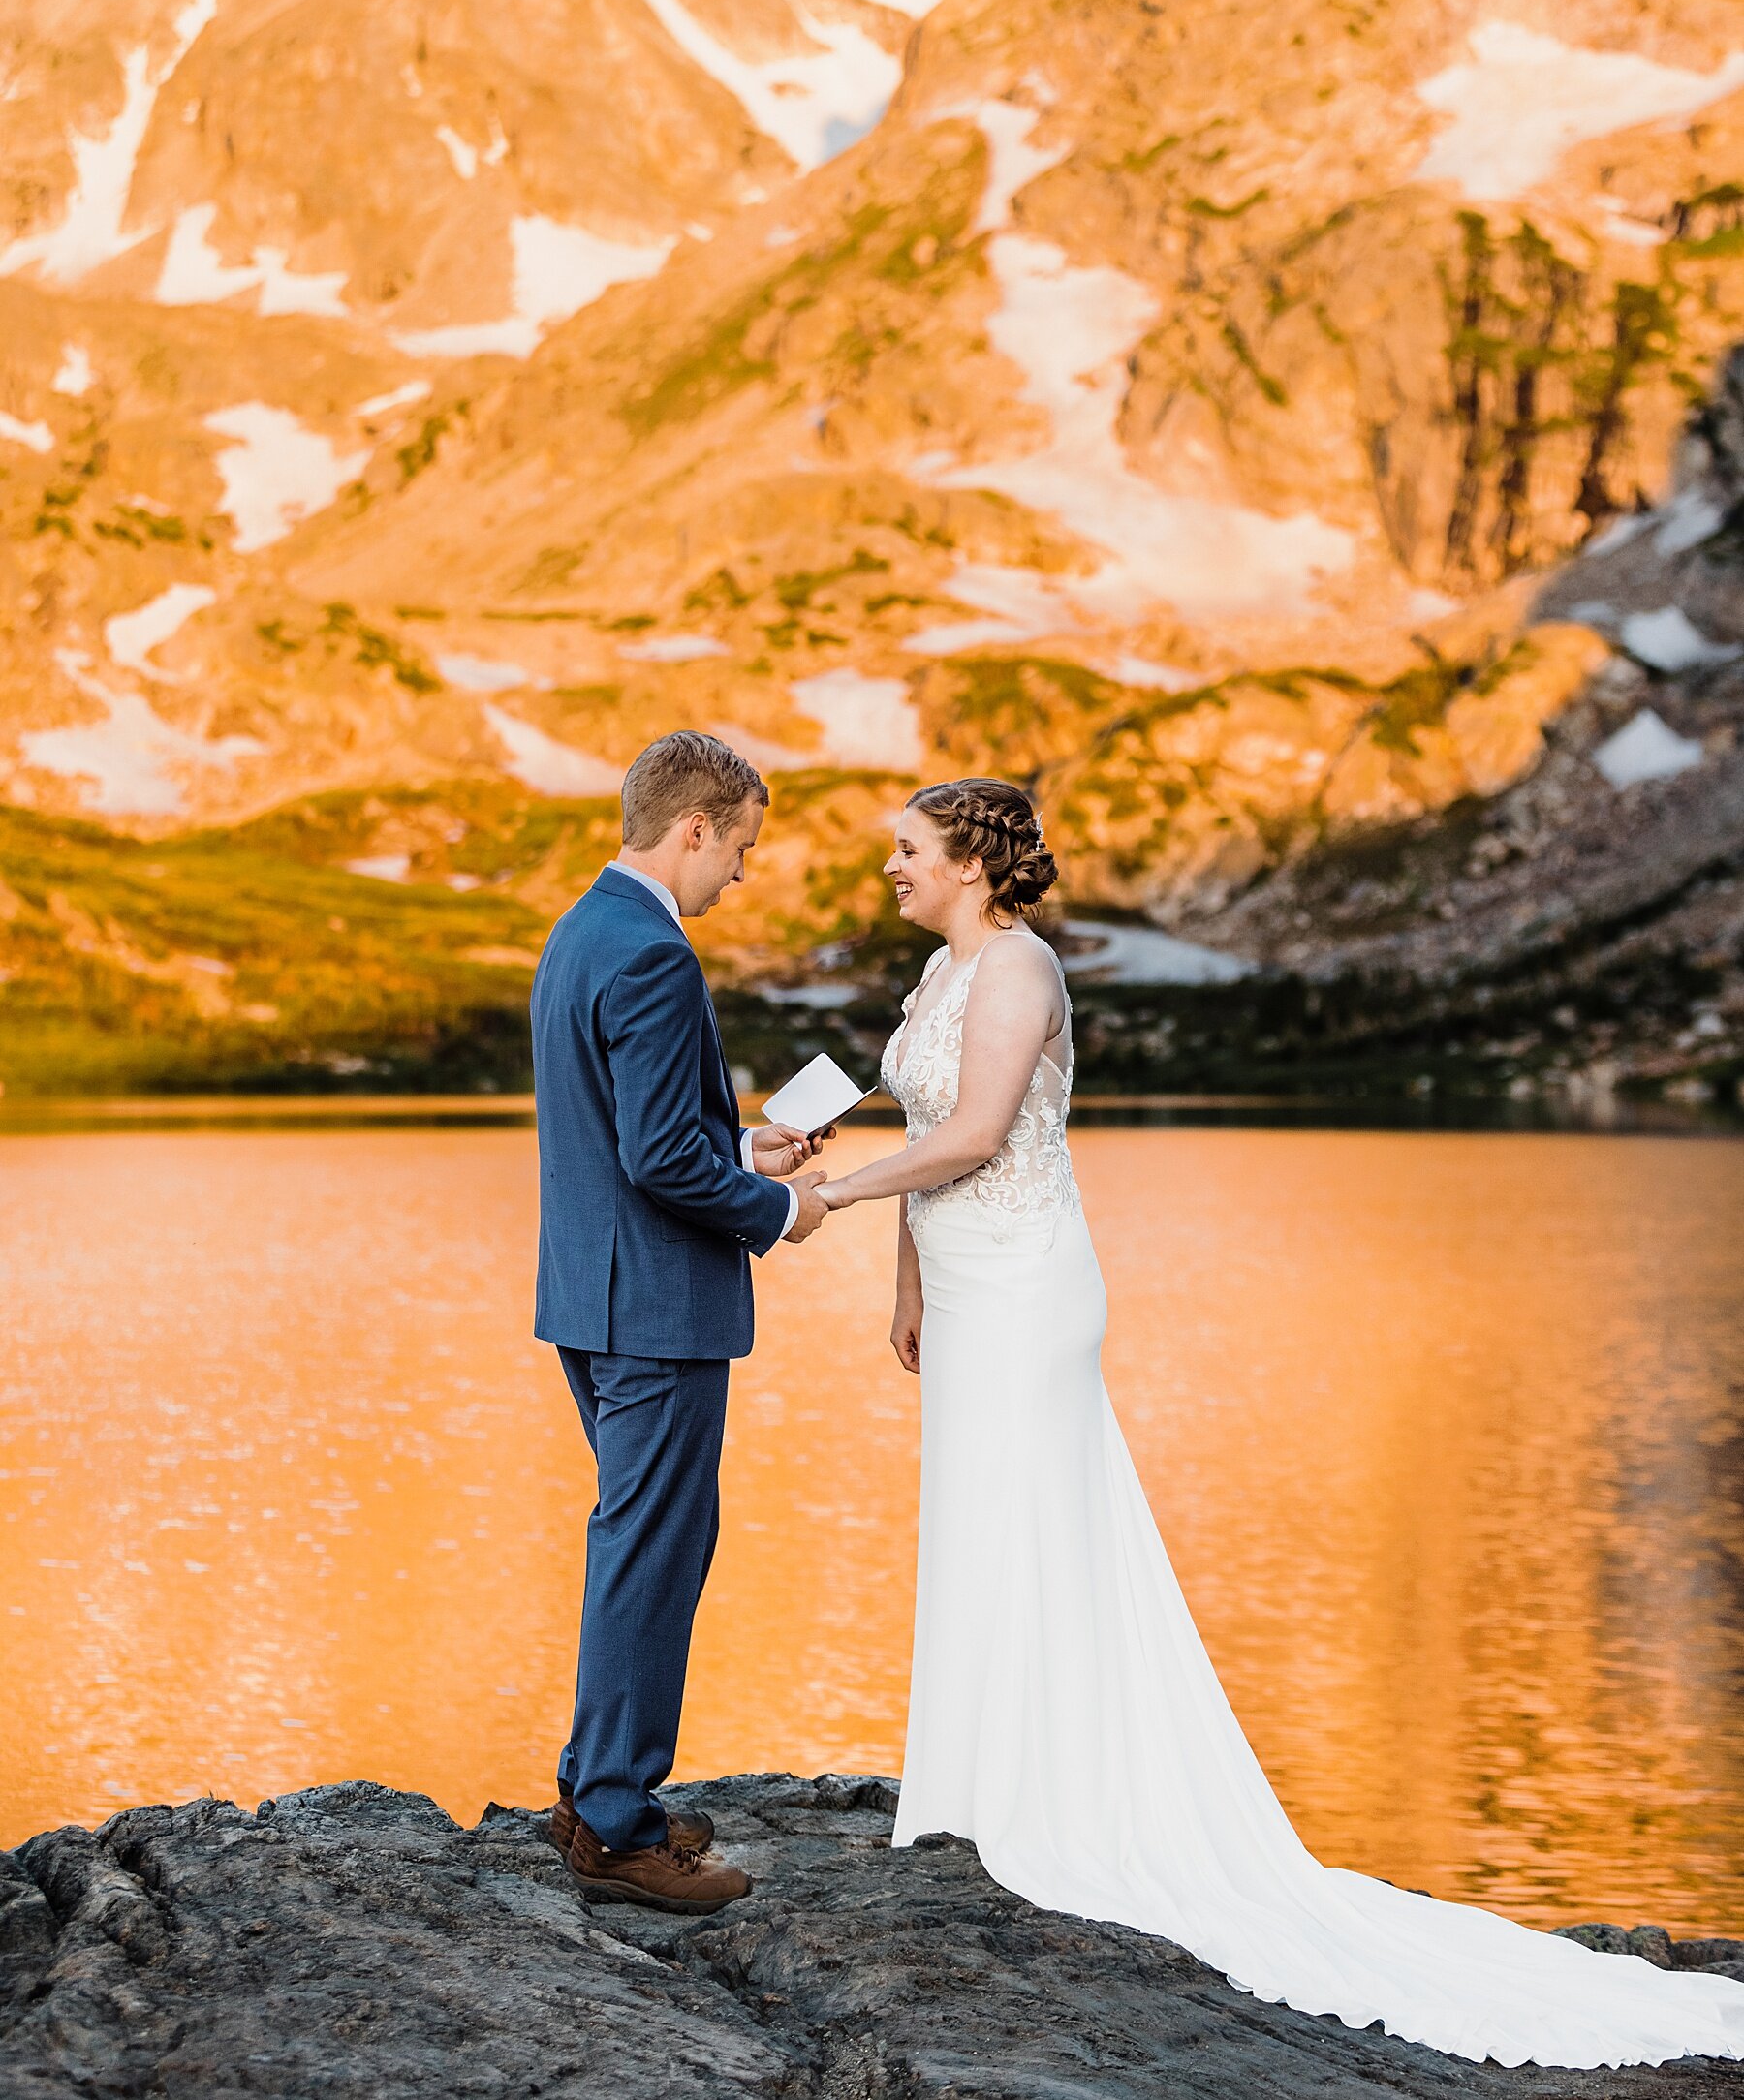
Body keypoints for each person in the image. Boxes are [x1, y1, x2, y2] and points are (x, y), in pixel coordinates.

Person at [816, 776, 1744, 2069]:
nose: (888, 867)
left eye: (906, 850)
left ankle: (1059, 1798)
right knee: (978, 1523)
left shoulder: (1022, 972)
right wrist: (906, 1283)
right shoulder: (934, 976)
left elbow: (975, 1133)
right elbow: (926, 1120)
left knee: (1035, 1515)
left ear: (972, 862)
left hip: (1028, 1285)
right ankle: (978, 1785)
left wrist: (838, 1194)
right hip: (965, 1288)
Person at [530, 731, 830, 1914]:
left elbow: (629, 1132)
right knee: (654, 1552)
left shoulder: (580, 928)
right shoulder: (654, 955)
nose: (741, 875)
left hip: (592, 1295)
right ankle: (615, 1825)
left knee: (635, 1541)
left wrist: (740, 1143)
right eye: (742, 847)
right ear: (694, 826)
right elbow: (657, 1158)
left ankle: (594, 1788)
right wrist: (779, 1205)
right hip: (655, 1308)